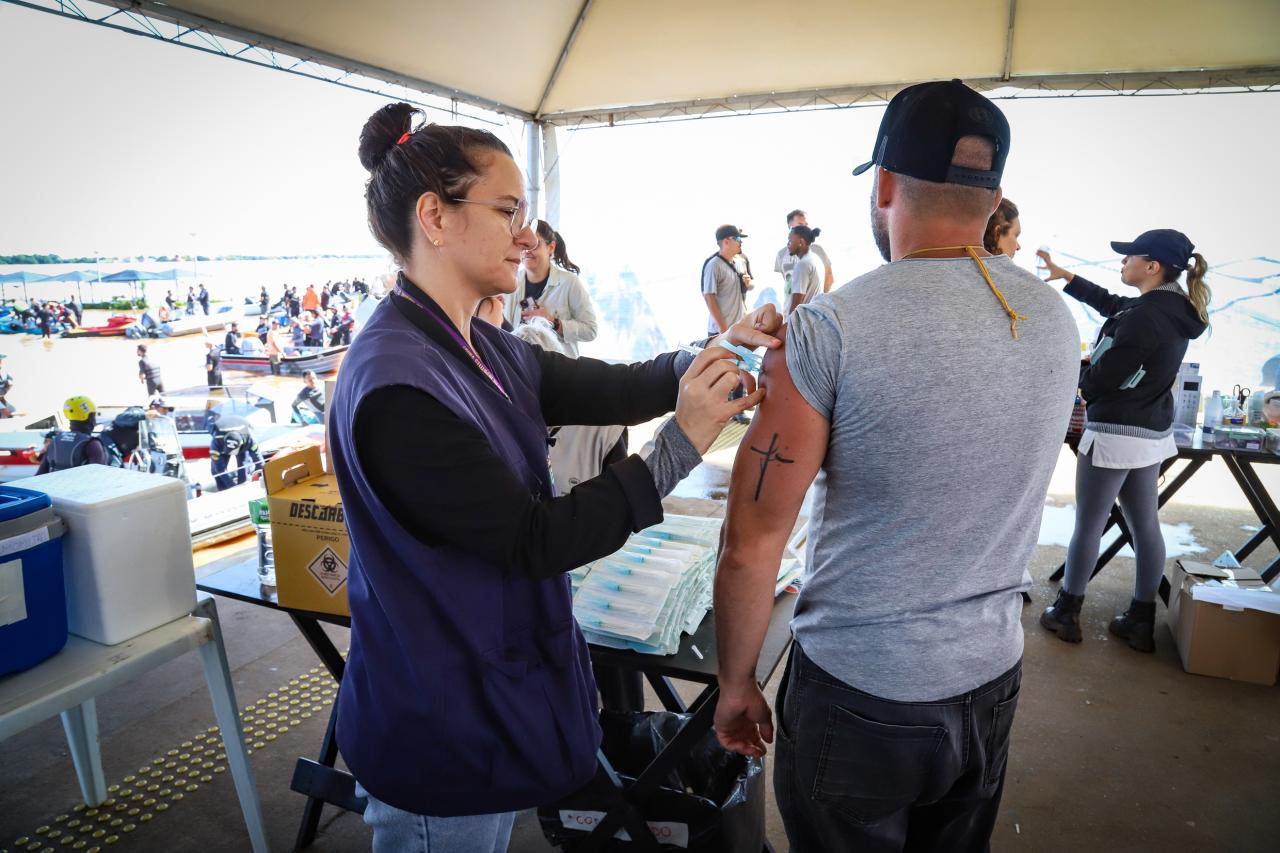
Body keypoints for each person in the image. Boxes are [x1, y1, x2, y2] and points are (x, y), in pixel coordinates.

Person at [328, 103, 779, 851]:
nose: (526, 235)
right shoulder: (397, 386)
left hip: (487, 688)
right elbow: (536, 539)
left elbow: (607, 385)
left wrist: (711, 350)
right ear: (434, 216)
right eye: (507, 211)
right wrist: (683, 441)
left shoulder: (477, 340)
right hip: (441, 718)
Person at [710, 80, 1079, 853]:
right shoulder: (1053, 318)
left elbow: (753, 539)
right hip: (990, 676)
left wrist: (737, 682)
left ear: (882, 184)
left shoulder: (832, 327)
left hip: (859, 689)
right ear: (994, 196)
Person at [1038, 231, 1210, 652]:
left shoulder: (1146, 316)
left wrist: (1077, 377)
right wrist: (1069, 278)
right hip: (1151, 434)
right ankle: (1140, 618)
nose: (1122, 263)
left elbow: (1105, 377)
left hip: (1114, 432)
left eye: (1129, 257)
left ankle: (1067, 611)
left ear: (1152, 267)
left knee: (1089, 524)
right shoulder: (1174, 307)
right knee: (1145, 525)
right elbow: (1118, 307)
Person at [501, 220, 598, 357]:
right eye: (523, 245)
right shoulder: (510, 282)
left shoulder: (569, 283)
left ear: (551, 247)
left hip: (559, 368)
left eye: (534, 244)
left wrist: (553, 322)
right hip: (521, 365)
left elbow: (591, 330)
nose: (527, 251)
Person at [36, 396, 111, 473]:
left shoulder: (55, 441)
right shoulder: (92, 444)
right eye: (94, 415)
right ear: (90, 417)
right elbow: (99, 477)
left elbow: (39, 474)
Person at [702, 224, 752, 336]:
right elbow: (709, 296)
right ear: (726, 241)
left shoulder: (739, 262)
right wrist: (723, 328)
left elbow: (749, 285)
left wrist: (748, 284)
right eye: (738, 239)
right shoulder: (713, 265)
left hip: (738, 328)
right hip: (720, 332)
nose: (741, 242)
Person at [774, 209, 834, 293]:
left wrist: (821, 301)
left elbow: (829, 277)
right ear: (790, 226)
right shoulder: (781, 254)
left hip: (815, 304)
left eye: (806, 224)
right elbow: (787, 284)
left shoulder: (817, 250)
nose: (805, 228)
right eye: (800, 224)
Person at [208, 412, 263, 491]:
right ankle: (224, 491)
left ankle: (244, 487)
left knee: (244, 466)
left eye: (233, 451)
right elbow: (219, 469)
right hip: (223, 447)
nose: (231, 453)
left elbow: (258, 460)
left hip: (241, 446)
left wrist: (261, 477)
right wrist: (232, 487)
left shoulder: (249, 439)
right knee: (216, 472)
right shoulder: (216, 443)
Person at [784, 224, 824, 314]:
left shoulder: (802, 265)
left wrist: (788, 324)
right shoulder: (815, 258)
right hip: (815, 315)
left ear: (800, 242)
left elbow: (796, 303)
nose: (787, 244)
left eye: (790, 240)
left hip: (804, 320)